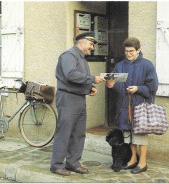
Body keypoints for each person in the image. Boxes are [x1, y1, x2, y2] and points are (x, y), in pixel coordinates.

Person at [50, 31, 105, 176]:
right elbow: (71, 75)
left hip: (79, 98)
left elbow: (79, 79)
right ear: (82, 42)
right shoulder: (69, 55)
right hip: (68, 99)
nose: (92, 48)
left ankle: (73, 163)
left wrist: (89, 88)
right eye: (91, 44)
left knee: (78, 133)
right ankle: (56, 165)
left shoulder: (81, 58)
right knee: (64, 133)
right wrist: (92, 79)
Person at [106, 37, 158, 174]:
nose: (128, 54)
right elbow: (117, 87)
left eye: (131, 51)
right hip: (125, 105)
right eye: (126, 51)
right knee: (128, 133)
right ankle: (133, 159)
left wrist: (138, 89)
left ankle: (143, 162)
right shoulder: (120, 65)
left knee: (140, 134)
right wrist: (111, 85)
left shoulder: (147, 65)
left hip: (141, 105)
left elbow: (153, 87)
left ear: (138, 50)